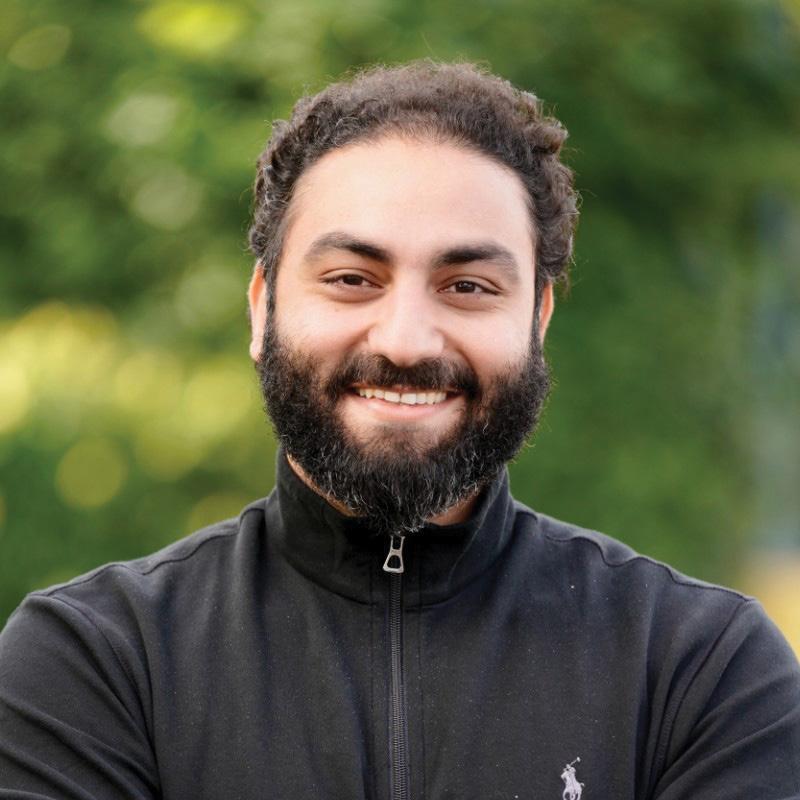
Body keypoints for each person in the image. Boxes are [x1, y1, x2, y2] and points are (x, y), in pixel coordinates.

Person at [1, 61, 798, 799]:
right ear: (262, 306)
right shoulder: (99, 663)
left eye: (468, 286)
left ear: (537, 319)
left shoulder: (699, 670)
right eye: (352, 279)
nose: (407, 341)